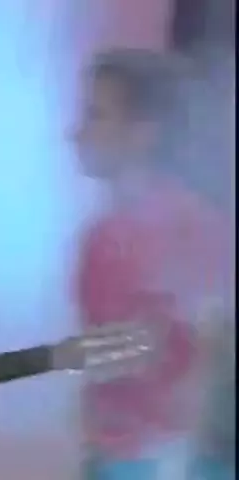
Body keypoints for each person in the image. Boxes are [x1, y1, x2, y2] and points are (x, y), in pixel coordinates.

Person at [71, 49, 231, 479]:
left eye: (95, 115)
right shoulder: (103, 235)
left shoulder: (191, 227)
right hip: (115, 453)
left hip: (168, 459)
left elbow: (207, 351)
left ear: (144, 132)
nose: (77, 133)